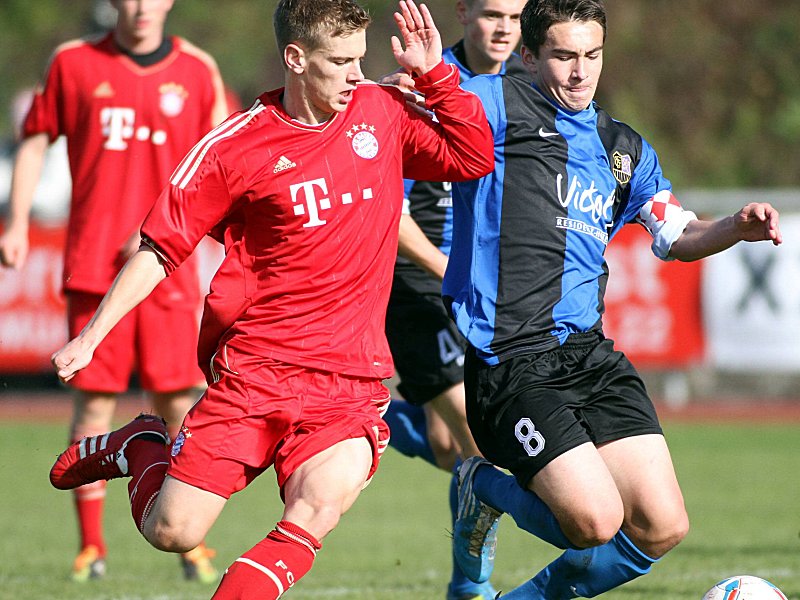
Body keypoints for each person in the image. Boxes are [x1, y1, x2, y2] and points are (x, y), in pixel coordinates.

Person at [47, 0, 494, 598]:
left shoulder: (380, 113)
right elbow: (159, 249)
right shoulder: (236, 146)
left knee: (318, 506)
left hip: (350, 382)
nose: (357, 74)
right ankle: (144, 443)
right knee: (173, 531)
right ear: (296, 58)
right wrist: (93, 335)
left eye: (360, 58)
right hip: (255, 374)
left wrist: (436, 75)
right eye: (340, 62)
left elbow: (472, 156)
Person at [441, 0, 784, 597]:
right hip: (512, 362)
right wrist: (421, 77)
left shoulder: (621, 148)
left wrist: (735, 225)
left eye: (592, 56)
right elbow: (427, 110)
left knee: (662, 526)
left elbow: (675, 233)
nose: (581, 72)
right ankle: (480, 488)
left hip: (589, 357)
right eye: (564, 56)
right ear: (529, 56)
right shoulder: (497, 105)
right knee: (595, 523)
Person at [0, 0, 229, 583]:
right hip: (95, 264)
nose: (141, 7)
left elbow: (224, 161)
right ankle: (90, 548)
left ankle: (186, 538)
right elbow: (33, 140)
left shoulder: (198, 69)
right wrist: (19, 220)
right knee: (94, 403)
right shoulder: (73, 63)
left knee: (179, 397)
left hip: (169, 266)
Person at [381, 1, 525, 599]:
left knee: (453, 450)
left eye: (517, 17)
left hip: (491, 288)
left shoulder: (533, 86)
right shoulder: (423, 85)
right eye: (492, 13)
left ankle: (379, 417)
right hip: (418, 279)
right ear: (462, 12)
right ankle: (471, 588)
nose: (504, 28)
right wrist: (449, 269)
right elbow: (388, 205)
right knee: (479, 444)